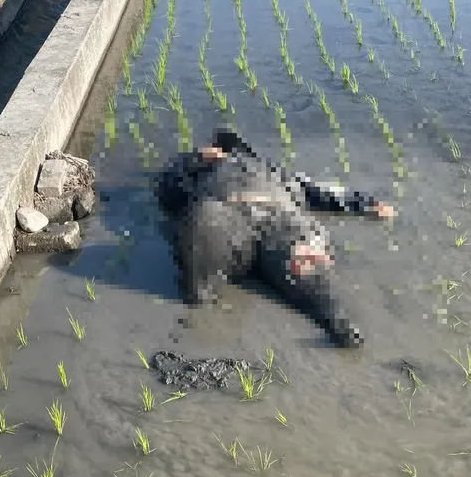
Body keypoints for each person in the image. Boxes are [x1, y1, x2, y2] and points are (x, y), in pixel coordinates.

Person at [157, 129, 396, 347]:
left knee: (304, 252)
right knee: (204, 220)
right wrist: (195, 161)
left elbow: (322, 192)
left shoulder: (276, 172)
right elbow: (167, 191)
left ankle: (339, 322)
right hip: (226, 213)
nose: (230, 152)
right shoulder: (202, 169)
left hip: (280, 219)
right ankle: (201, 303)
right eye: (224, 147)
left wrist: (366, 203)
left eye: (232, 147)